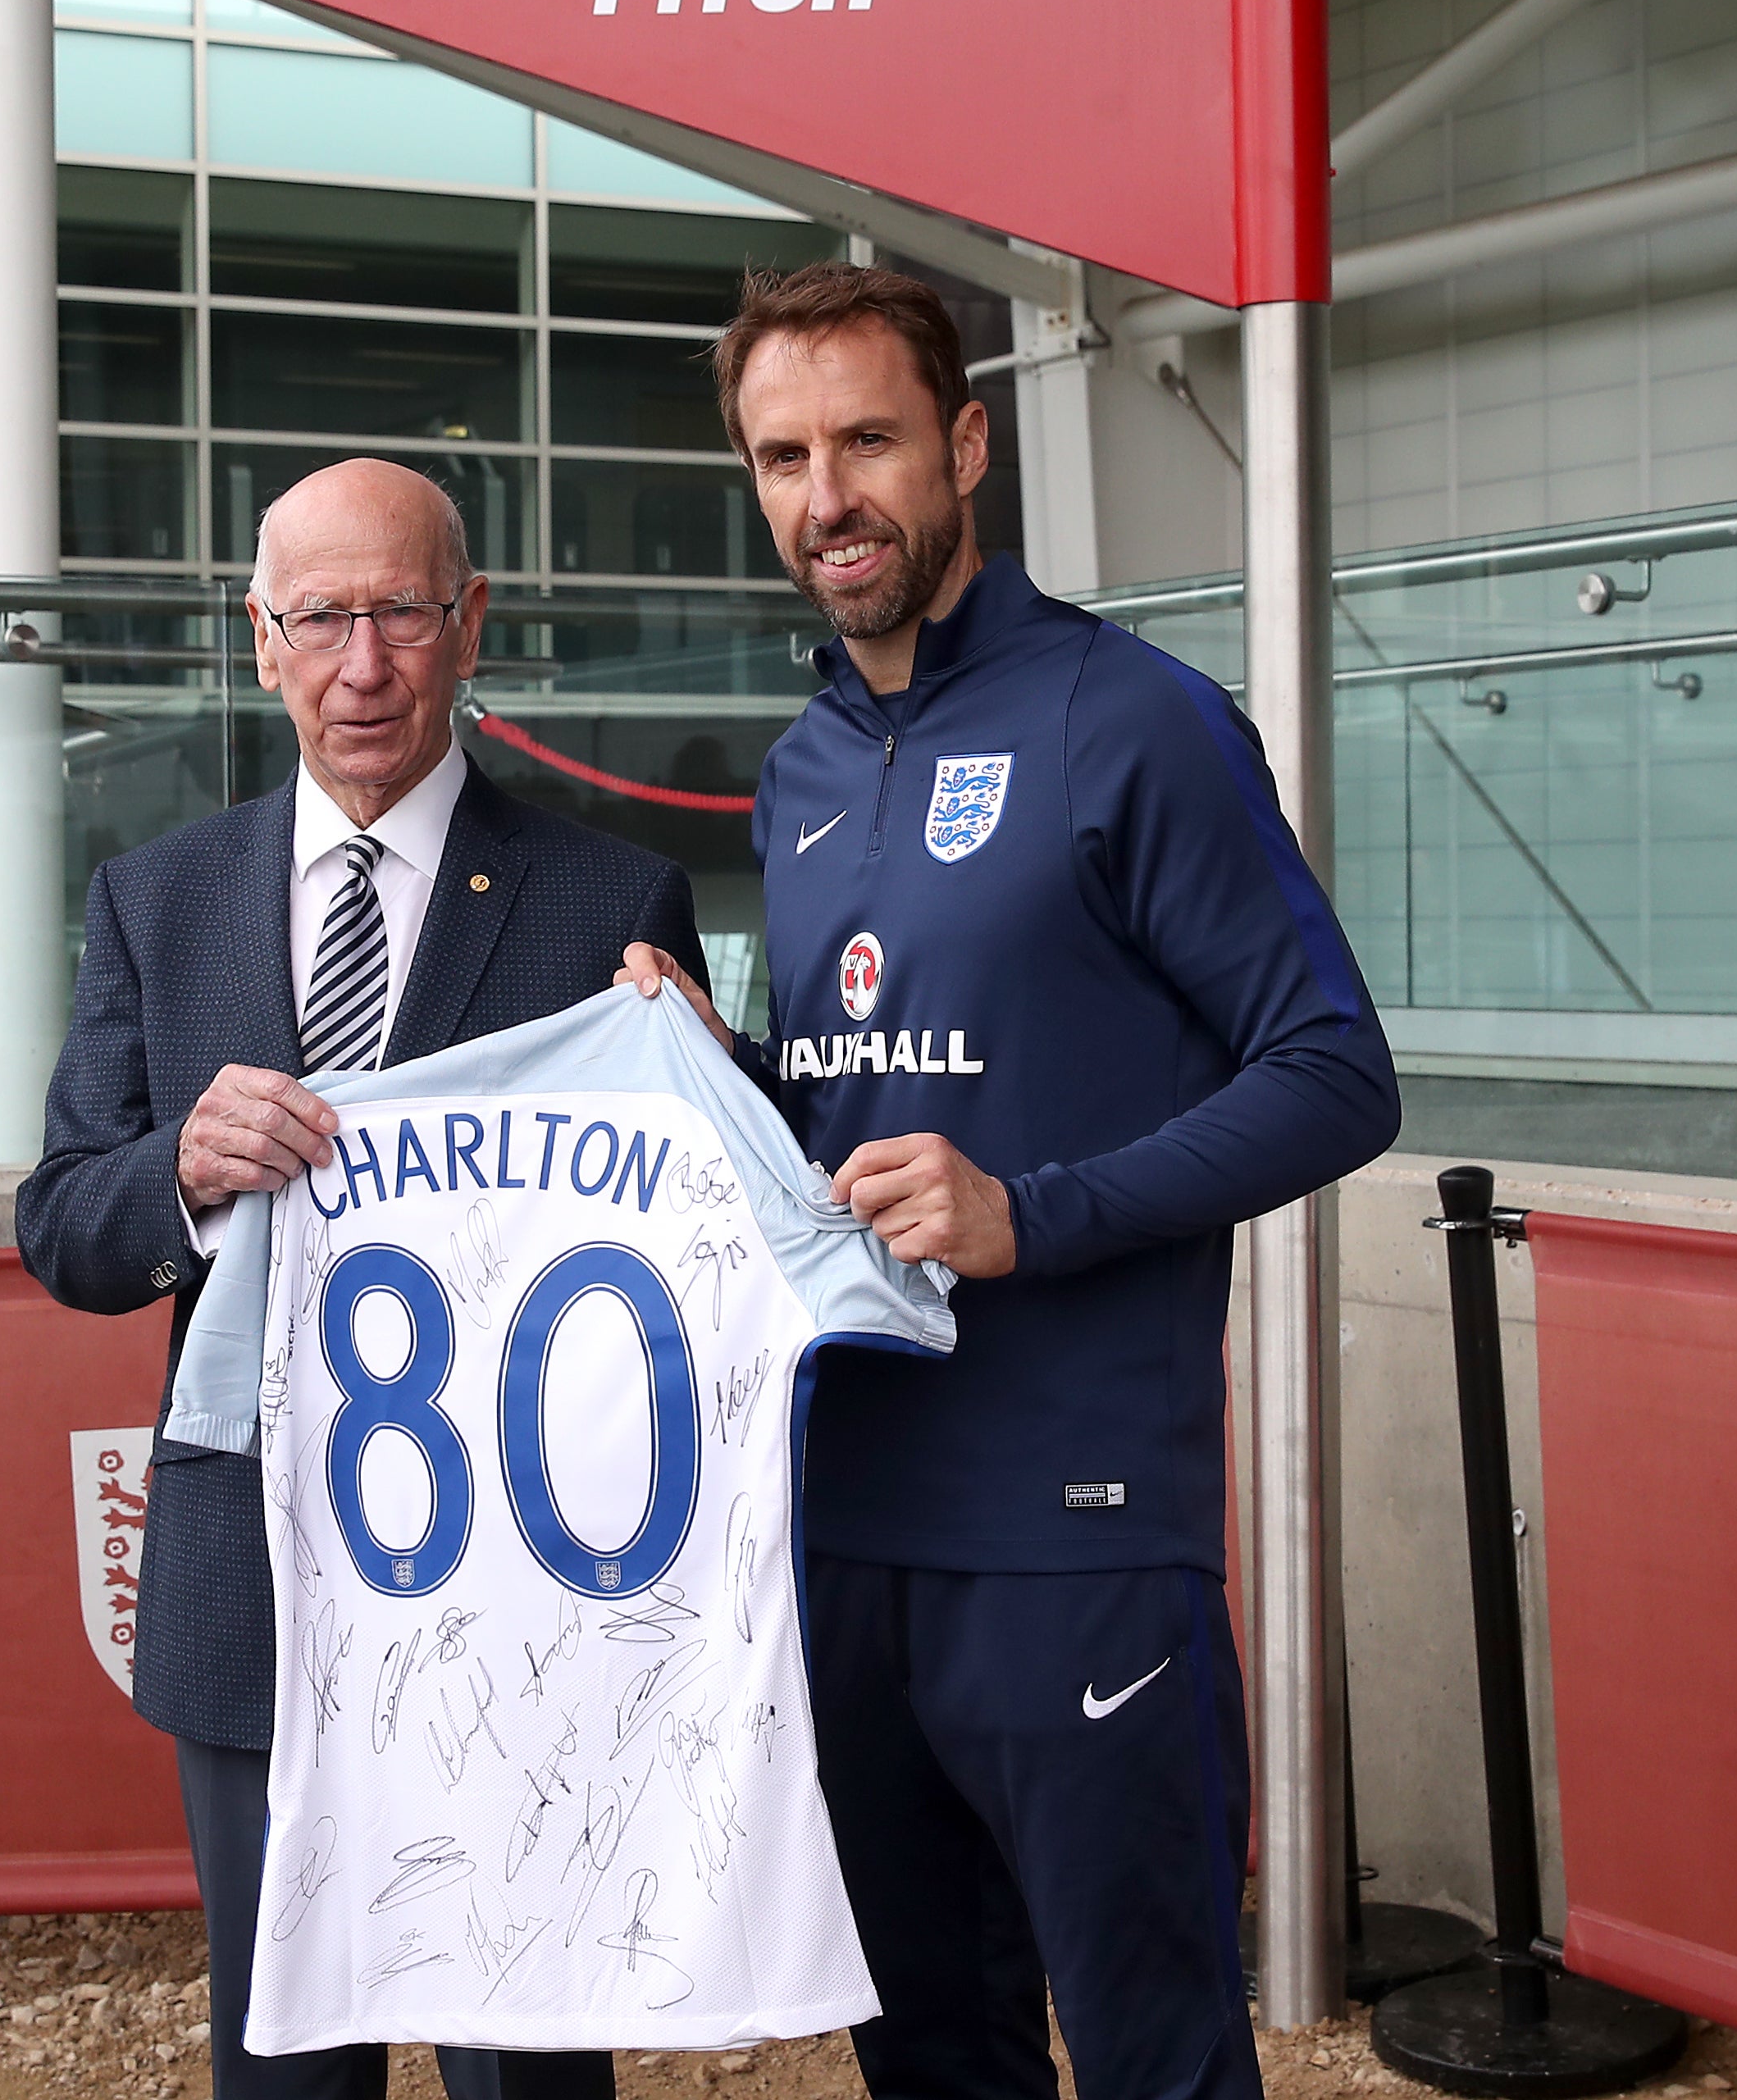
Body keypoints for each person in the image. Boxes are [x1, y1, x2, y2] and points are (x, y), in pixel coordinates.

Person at [621, 265, 1402, 2100]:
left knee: (1151, 2058)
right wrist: (700, 1070)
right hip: (846, 1530)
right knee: (929, 2060)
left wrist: (1028, 1211)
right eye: (783, 456)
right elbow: (850, 1135)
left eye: (867, 440)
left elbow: (1331, 1075)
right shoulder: (798, 767)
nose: (828, 498)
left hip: (1075, 1535)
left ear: (964, 444)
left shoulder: (1132, 719)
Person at [17, 458, 706, 2100]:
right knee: (287, 2064)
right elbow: (59, 1227)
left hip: (518, 1587)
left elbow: (696, 1231)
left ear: (468, 625)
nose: (362, 661)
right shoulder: (156, 901)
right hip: (246, 1573)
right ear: (258, 643)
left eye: (398, 609)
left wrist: (702, 1069)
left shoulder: (609, 902)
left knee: (523, 2058)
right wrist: (179, 1166)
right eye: (318, 617)